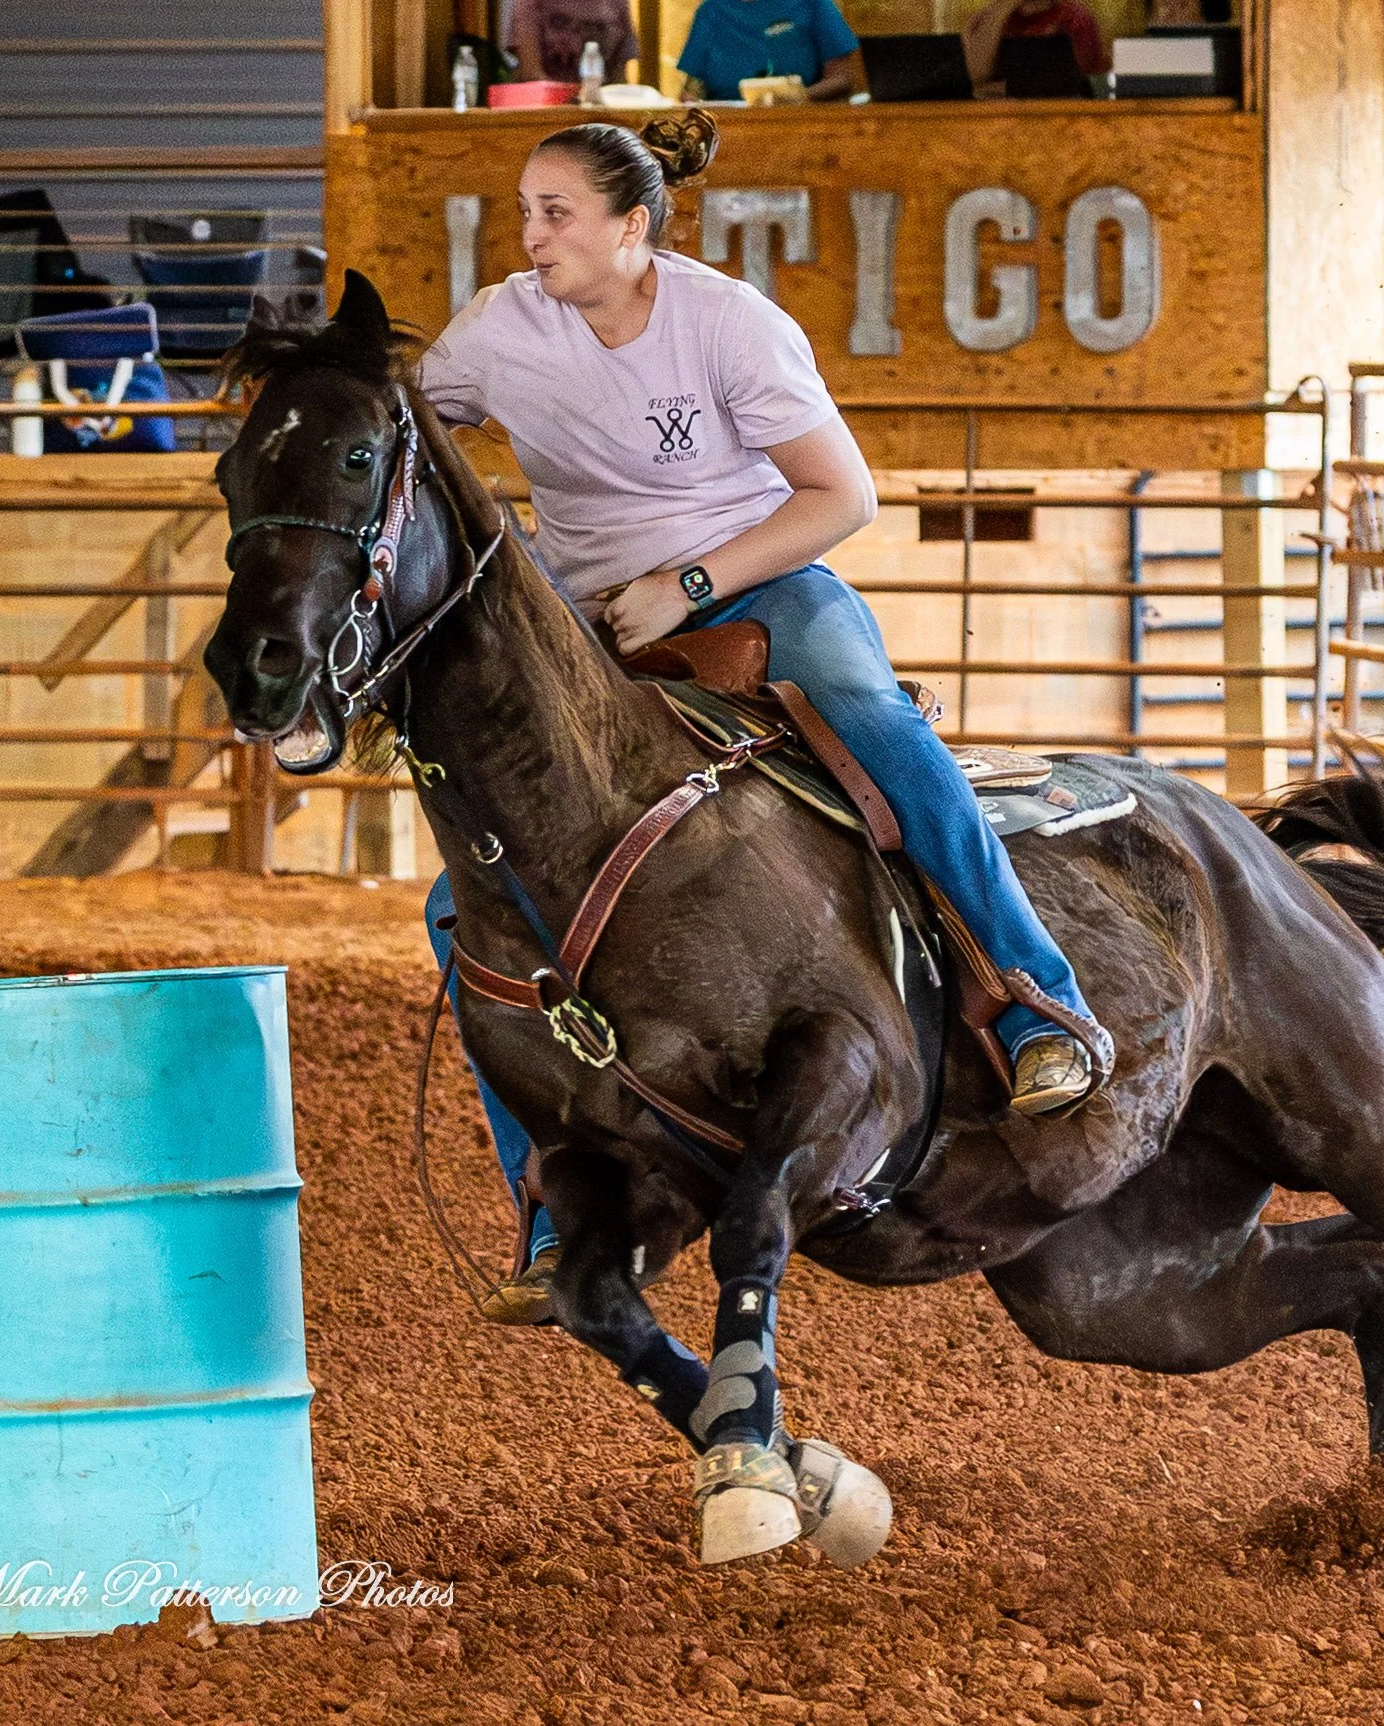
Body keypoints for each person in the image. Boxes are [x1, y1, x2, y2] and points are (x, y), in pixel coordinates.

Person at [417, 110, 1106, 1321]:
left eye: (555, 214)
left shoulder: (728, 324)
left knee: (871, 719)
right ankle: (551, 1204)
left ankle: (1040, 997)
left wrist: (685, 584)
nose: (530, 238)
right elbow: (404, 436)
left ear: (634, 229)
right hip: (590, 630)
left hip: (756, 582)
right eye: (525, 212)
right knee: (459, 900)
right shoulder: (497, 334)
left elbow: (842, 493)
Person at [675, 0, 859, 101]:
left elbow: (842, 78)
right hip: (728, 129)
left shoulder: (812, 4)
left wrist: (799, 98)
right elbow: (691, 92)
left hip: (803, 124)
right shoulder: (711, 11)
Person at [963, 0, 1105, 84]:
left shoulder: (1074, 18)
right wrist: (1001, 9)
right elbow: (974, 73)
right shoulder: (987, 17)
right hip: (996, 118)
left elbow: (1074, 82)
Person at [506, 0, 638, 84]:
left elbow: (620, 74)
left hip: (603, 111)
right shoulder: (528, 4)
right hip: (547, 111)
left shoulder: (618, 3)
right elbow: (531, 74)